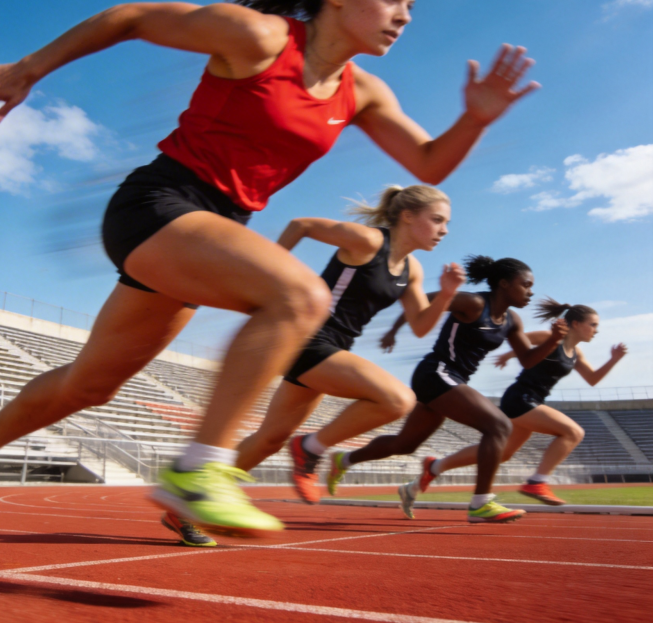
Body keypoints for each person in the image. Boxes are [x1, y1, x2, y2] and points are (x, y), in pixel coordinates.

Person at [0, 0, 539, 537]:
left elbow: (428, 164)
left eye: (410, 7)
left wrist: (475, 119)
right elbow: (130, 18)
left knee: (91, 384)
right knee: (300, 295)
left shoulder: (364, 92)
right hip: (159, 204)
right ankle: (201, 471)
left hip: (212, 235)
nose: (404, 16)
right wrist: (27, 69)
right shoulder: (260, 38)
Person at [235, 185, 465, 508]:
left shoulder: (412, 269)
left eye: (447, 223)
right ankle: (311, 448)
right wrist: (266, 275)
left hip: (333, 347)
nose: (444, 230)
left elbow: (420, 326)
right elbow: (301, 225)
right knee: (397, 400)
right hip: (307, 338)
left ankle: (193, 498)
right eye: (438, 220)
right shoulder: (369, 241)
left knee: (269, 440)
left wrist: (446, 295)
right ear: (408, 216)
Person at [326, 255, 568, 523]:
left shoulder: (512, 321)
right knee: (499, 427)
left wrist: (554, 341)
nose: (530, 292)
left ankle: (343, 460)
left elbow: (527, 360)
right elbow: (421, 301)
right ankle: (481, 503)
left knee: (405, 444)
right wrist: (393, 330)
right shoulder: (473, 303)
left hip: (453, 380)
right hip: (435, 372)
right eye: (526, 285)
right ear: (504, 284)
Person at [407, 299, 628, 507]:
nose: (596, 330)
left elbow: (592, 379)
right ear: (577, 324)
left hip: (533, 401)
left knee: (502, 453)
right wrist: (509, 355)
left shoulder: (576, 353)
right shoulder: (548, 337)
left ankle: (435, 466)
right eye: (593, 325)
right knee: (573, 432)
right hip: (521, 398)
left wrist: (614, 359)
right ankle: (537, 482)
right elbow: (521, 338)